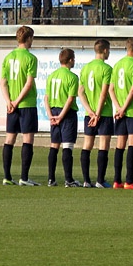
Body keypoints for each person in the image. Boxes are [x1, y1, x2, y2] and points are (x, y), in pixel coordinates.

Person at [0, 25, 40, 186]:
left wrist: (8, 101)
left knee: (9, 138)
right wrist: (17, 101)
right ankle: (24, 177)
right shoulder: (30, 58)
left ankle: (7, 177)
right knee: (27, 139)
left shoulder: (8, 57)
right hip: (26, 103)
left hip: (11, 105)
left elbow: (3, 82)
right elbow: (29, 83)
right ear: (29, 39)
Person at [77, 39, 113, 188]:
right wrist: (97, 113)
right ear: (104, 50)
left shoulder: (86, 68)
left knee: (87, 145)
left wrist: (90, 112)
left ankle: (86, 180)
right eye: (109, 50)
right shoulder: (107, 69)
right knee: (103, 145)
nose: (109, 53)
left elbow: (81, 92)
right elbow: (104, 94)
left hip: (89, 114)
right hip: (103, 113)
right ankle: (100, 180)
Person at [110, 38, 133, 189]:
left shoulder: (117, 65)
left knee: (119, 144)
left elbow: (111, 89)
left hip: (120, 111)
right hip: (132, 110)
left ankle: (117, 180)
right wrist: (124, 109)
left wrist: (118, 108)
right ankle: (129, 181)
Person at [43, 48, 79, 187]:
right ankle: (68, 180)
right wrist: (61, 116)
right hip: (66, 114)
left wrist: (50, 115)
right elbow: (70, 100)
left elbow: (46, 98)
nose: (74, 61)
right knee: (67, 146)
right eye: (73, 58)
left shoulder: (52, 76)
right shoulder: (72, 77)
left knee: (54, 146)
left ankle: (51, 179)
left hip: (54, 111)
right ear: (70, 60)